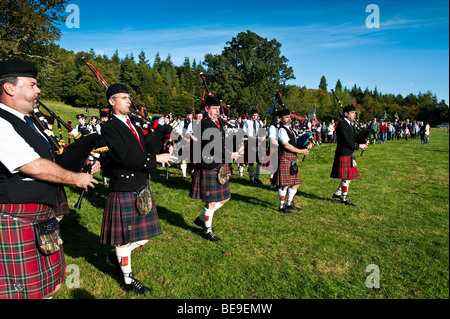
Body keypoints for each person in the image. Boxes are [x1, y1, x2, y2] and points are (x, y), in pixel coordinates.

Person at [0, 59, 98, 299]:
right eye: (32, 85)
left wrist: (82, 161)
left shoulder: (29, 121)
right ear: (10, 88)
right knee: (23, 292)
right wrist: (76, 178)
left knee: (51, 286)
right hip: (16, 217)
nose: (38, 91)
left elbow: (51, 160)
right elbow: (32, 165)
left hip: (41, 216)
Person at [99, 83, 174, 294]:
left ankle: (119, 255)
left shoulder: (133, 122)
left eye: (129, 97)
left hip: (141, 183)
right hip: (123, 185)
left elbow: (144, 148)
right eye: (123, 97)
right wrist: (156, 158)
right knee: (124, 239)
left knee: (146, 233)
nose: (128, 100)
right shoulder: (109, 127)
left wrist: (161, 137)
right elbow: (125, 156)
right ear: (112, 102)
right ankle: (128, 279)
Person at [190, 96, 238, 241]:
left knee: (226, 197)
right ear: (206, 109)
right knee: (210, 201)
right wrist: (230, 154)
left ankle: (201, 218)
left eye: (218, 109)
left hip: (218, 164)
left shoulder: (216, 123)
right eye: (214, 109)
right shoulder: (204, 124)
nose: (217, 111)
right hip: (208, 165)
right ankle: (207, 230)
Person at [330, 104, 368, 206]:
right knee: (346, 178)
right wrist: (358, 146)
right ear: (346, 114)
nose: (354, 115)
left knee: (349, 177)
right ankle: (344, 198)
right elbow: (347, 141)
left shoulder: (348, 124)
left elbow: (353, 138)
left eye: (355, 113)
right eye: (352, 113)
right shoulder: (342, 124)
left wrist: (363, 139)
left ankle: (337, 194)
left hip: (348, 153)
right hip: (344, 153)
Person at [274, 109, 311, 213]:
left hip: (292, 159)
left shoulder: (291, 129)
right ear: (280, 119)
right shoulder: (281, 130)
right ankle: (281, 206)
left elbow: (296, 142)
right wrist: (300, 151)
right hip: (285, 158)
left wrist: (306, 144)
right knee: (284, 184)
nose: (289, 118)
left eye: (289, 116)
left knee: (295, 183)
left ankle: (289, 203)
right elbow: (286, 145)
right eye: (286, 117)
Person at [242, 108, 264, 184]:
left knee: (260, 161)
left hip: (258, 142)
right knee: (251, 161)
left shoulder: (259, 122)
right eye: (254, 115)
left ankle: (256, 176)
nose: (255, 117)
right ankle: (251, 177)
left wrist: (263, 137)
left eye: (256, 116)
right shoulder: (247, 122)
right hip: (251, 142)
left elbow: (263, 132)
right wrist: (252, 138)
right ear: (251, 115)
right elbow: (244, 133)